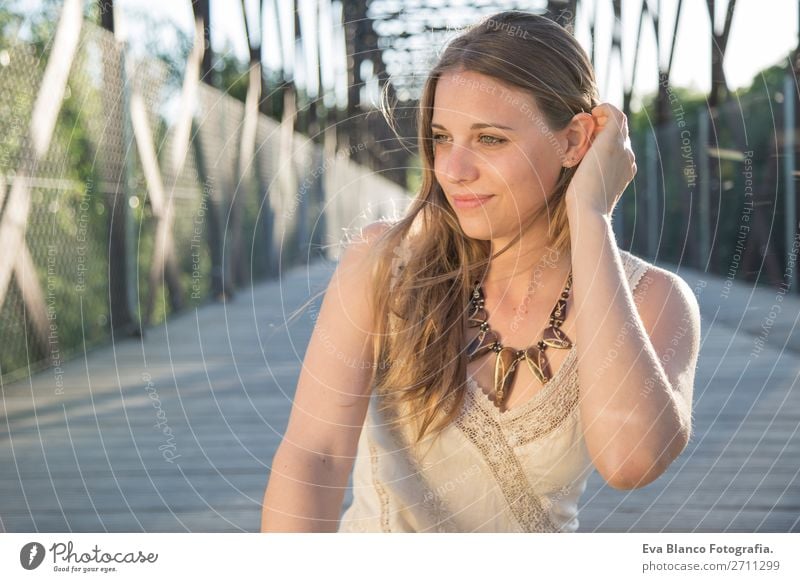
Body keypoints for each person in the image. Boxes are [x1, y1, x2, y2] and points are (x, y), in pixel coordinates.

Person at [260, 10, 700, 533]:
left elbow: (633, 461)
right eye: (442, 137)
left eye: (490, 139)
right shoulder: (385, 264)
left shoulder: (652, 298)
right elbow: (317, 455)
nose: (452, 169)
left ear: (574, 141)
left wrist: (590, 215)